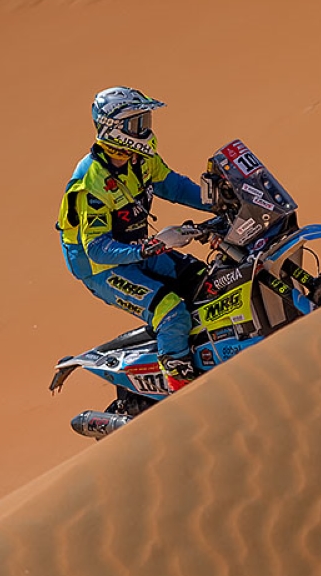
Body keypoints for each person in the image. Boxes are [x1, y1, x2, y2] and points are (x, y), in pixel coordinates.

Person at [56, 87, 211, 386]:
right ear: (114, 128)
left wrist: (216, 201)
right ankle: (181, 385)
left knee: (203, 280)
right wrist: (151, 247)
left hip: (136, 247)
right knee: (171, 312)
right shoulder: (91, 183)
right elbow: (97, 248)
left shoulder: (141, 158)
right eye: (137, 123)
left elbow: (174, 186)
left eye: (145, 120)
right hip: (102, 267)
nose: (145, 129)